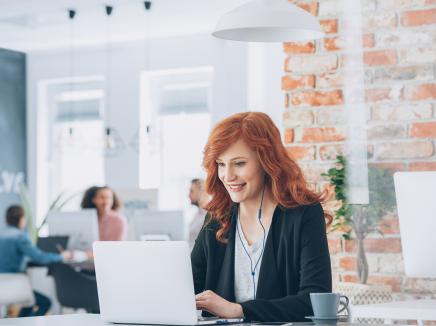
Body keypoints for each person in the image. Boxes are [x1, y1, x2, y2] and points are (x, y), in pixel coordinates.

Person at [192, 112, 332, 322]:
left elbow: (314, 299)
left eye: (239, 163)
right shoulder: (216, 218)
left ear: (266, 161)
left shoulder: (304, 214)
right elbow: (187, 287)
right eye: (221, 164)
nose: (227, 176)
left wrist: (240, 310)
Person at [0, 205, 72, 317]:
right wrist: (61, 256)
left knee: (28, 303)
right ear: (22, 219)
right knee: (45, 303)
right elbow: (40, 258)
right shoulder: (20, 237)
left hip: (2, 285)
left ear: (6, 219)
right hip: (14, 284)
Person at [188, 179, 208, 250]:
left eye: (192, 191)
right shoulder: (197, 215)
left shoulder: (208, 217)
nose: (188, 195)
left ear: (201, 192)